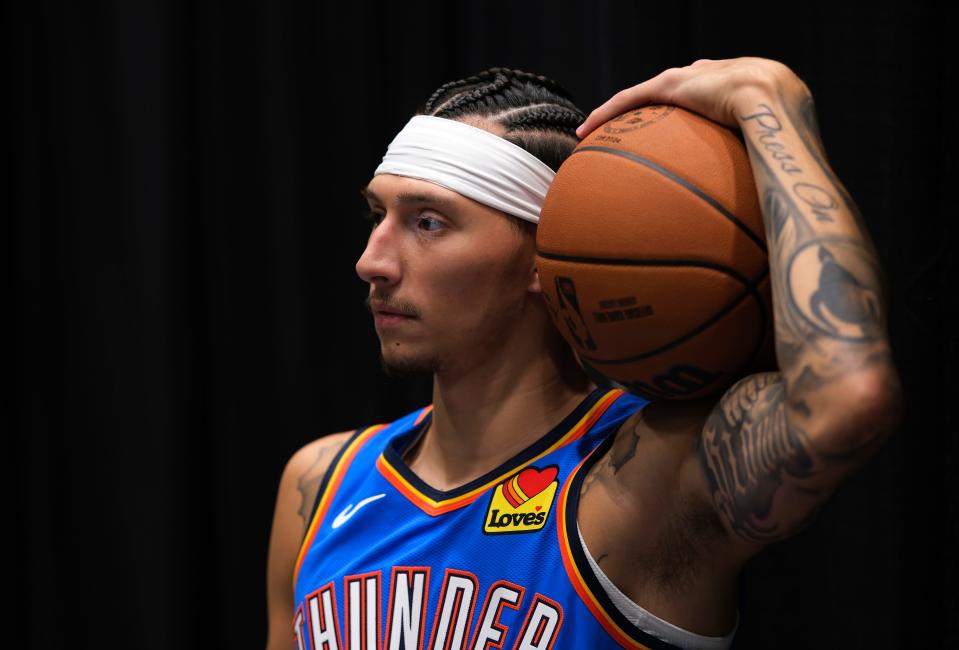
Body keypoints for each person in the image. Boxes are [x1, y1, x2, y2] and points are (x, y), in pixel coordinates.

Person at [266, 58, 902, 649]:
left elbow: (846, 397)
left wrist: (770, 101)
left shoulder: (646, 477)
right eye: (378, 214)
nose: (370, 261)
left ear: (546, 257)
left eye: (428, 221)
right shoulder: (321, 484)